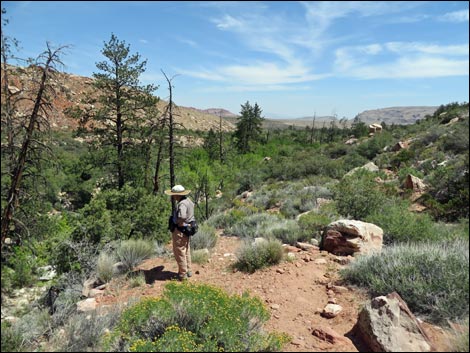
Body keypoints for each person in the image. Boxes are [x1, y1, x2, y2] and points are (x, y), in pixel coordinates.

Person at [164, 184, 195, 281]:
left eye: (173, 194)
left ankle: (182, 274)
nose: (173, 196)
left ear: (177, 195)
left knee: (179, 252)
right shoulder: (189, 201)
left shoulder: (181, 204)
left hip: (180, 231)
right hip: (187, 230)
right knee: (186, 250)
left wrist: (179, 223)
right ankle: (188, 270)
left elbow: (182, 216)